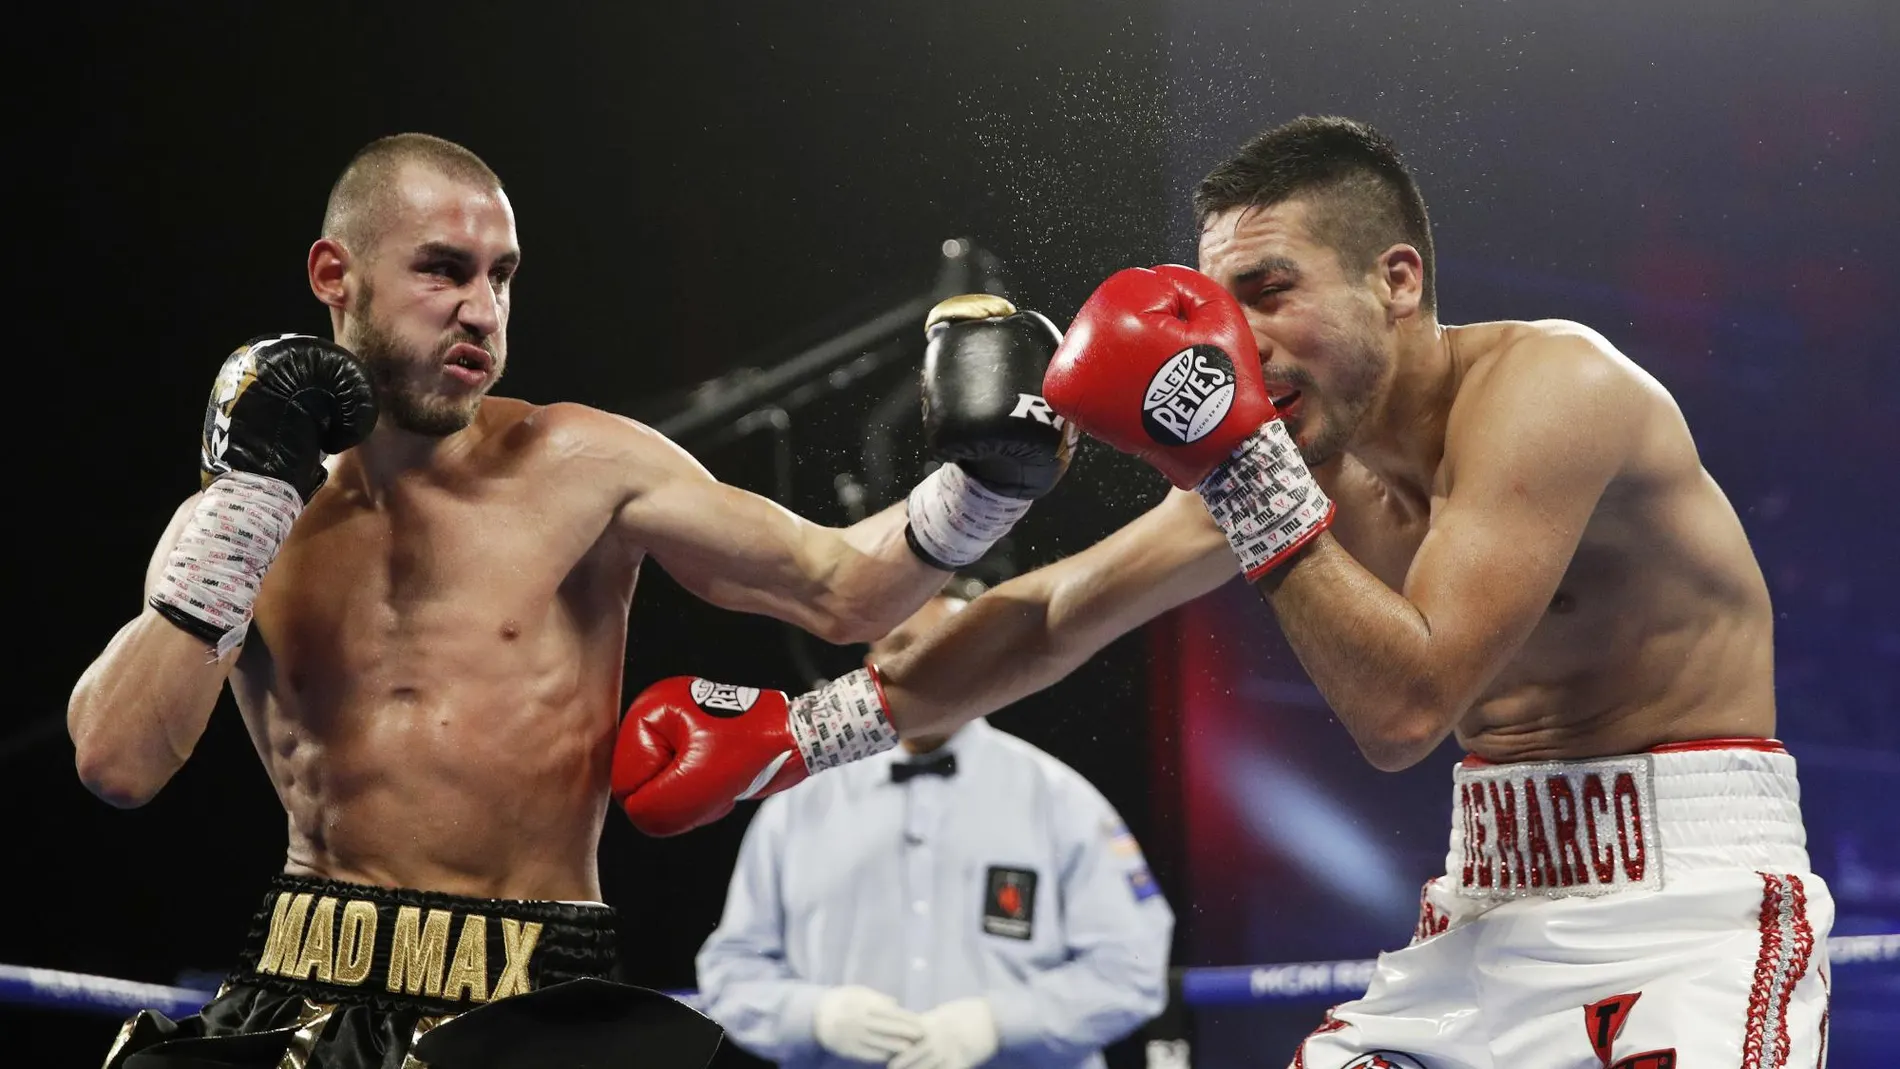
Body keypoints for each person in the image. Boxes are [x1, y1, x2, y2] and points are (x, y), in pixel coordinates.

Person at [613, 116, 1831, 1068]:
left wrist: (1239, 469)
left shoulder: (1552, 389)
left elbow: (1406, 707)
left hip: (1687, 908)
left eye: (1270, 289)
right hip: (1488, 913)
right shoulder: (1295, 461)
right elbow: (1050, 617)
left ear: (1395, 279)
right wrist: (803, 733)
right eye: (1217, 300)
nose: (1236, 343)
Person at [65, 132, 1073, 1069]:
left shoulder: (584, 464)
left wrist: (983, 485)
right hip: (305, 981)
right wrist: (246, 504)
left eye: (501, 276)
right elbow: (118, 761)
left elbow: (841, 588)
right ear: (336, 275)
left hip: (530, 990)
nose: (481, 309)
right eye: (441, 269)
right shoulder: (250, 514)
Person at [694, 589, 1174, 1069]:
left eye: (951, 646)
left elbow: (1131, 970)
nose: (926, 666)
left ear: (987, 664)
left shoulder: (1063, 801)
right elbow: (730, 969)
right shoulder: (797, 805)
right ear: (869, 667)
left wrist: (999, 1023)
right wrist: (813, 1016)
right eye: (905, 646)